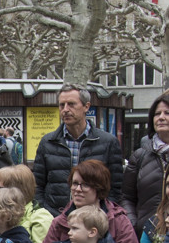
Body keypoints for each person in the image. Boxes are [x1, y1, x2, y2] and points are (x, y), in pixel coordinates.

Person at [33, 85, 124, 216]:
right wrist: (45, 213)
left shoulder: (108, 142)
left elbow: (115, 188)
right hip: (55, 218)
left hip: (94, 220)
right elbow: (38, 185)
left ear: (86, 107)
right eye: (61, 105)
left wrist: (103, 214)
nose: (65, 110)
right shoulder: (48, 142)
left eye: (71, 104)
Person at [122, 92, 169, 237]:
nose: (161, 117)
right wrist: (133, 223)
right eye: (157, 114)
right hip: (145, 236)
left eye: (167, 113)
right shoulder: (140, 156)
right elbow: (126, 197)